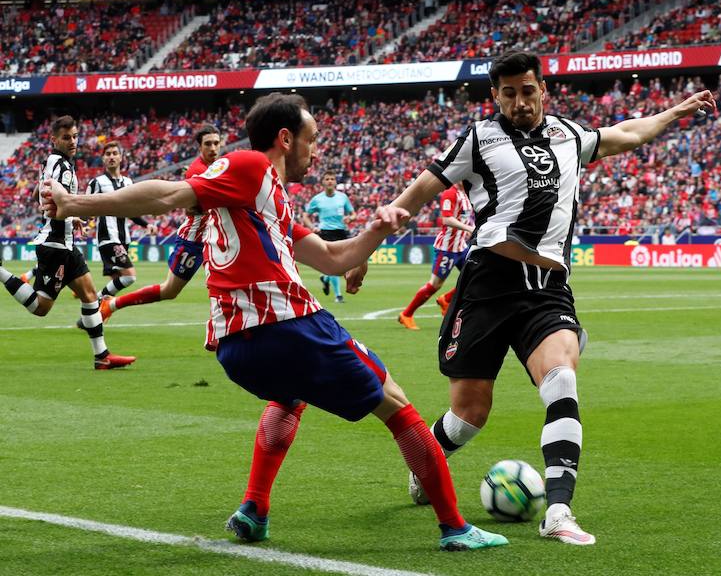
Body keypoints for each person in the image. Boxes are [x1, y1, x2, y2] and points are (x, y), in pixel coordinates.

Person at [43, 93, 507, 552]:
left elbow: (333, 257)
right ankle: (455, 528)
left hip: (236, 348)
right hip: (287, 325)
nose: (315, 149)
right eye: (311, 139)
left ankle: (254, 508)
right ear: (285, 139)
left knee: (288, 398)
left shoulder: (269, 200)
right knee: (396, 402)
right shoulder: (250, 166)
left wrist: (378, 230)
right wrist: (74, 204)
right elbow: (170, 194)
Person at [388, 50, 716, 545]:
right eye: (509, 93)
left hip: (546, 290)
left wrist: (675, 112)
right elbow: (417, 194)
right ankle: (426, 465)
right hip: (487, 286)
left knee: (561, 380)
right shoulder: (478, 139)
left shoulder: (570, 134)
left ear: (543, 90)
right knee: (469, 414)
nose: (520, 101)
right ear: (495, 96)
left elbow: (627, 134)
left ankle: (558, 510)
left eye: (528, 90)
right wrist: (365, 245)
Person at [0, 115, 134, 369]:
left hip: (67, 242)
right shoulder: (60, 165)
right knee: (41, 307)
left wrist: (72, 218)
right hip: (55, 245)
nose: (72, 141)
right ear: (54, 139)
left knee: (90, 295)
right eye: (66, 138)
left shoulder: (54, 162)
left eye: (74, 136)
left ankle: (102, 357)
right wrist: (73, 214)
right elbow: (57, 201)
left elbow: (45, 195)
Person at [99, 124, 220, 321]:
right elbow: (194, 207)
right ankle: (111, 304)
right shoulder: (197, 171)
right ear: (199, 147)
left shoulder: (217, 166)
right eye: (208, 144)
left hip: (214, 238)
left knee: (220, 285)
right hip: (194, 240)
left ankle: (219, 332)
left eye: (216, 143)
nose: (213, 148)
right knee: (170, 290)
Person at [398, 181, 473, 330]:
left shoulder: (465, 193)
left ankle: (446, 299)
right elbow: (446, 219)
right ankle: (406, 314)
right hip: (447, 248)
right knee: (435, 285)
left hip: (461, 246)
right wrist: (469, 228)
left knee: (474, 276)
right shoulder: (450, 193)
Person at [86, 141, 154, 300]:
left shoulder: (128, 183)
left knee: (115, 282)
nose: (111, 157)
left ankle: (96, 316)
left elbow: (131, 211)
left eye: (115, 153)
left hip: (124, 238)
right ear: (103, 158)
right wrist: (82, 223)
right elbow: (84, 205)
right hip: (108, 238)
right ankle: (95, 301)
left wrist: (146, 224)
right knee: (130, 276)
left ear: (121, 157)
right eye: (108, 154)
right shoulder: (97, 182)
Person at [303, 172, 356, 303]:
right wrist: (312, 227)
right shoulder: (317, 199)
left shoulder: (343, 197)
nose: (330, 181)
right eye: (327, 179)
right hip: (326, 233)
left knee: (342, 264)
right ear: (323, 183)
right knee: (334, 263)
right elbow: (305, 215)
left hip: (341, 232)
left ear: (336, 182)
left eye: (332, 179)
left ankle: (325, 279)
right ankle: (338, 295)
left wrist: (350, 218)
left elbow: (353, 213)